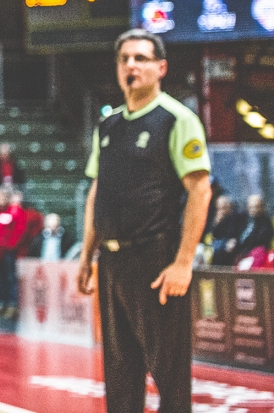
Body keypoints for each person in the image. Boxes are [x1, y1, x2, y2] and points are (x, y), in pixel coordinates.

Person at [77, 29, 212, 413]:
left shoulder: (176, 119)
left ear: (161, 67)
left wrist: (184, 262)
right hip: (113, 263)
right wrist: (87, 255)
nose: (131, 66)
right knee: (120, 374)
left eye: (140, 58)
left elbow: (200, 191)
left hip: (156, 261)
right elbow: (96, 193)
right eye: (124, 59)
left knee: (169, 377)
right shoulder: (108, 126)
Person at [0, 187, 25, 318]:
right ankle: (1, 304)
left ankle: (12, 305)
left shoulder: (13, 211)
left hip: (8, 251)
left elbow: (19, 229)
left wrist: (11, 245)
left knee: (10, 277)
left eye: (2, 196)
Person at [209, 195, 245, 266]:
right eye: (218, 208)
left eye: (223, 208)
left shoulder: (235, 217)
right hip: (216, 245)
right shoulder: (214, 218)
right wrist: (217, 223)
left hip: (230, 245)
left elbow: (234, 234)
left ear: (228, 207)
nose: (220, 211)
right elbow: (214, 235)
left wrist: (233, 240)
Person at [238, 194, 274, 263]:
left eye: (256, 207)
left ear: (261, 207)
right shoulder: (244, 220)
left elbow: (259, 240)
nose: (253, 210)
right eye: (250, 207)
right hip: (241, 253)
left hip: (255, 254)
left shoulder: (265, 222)